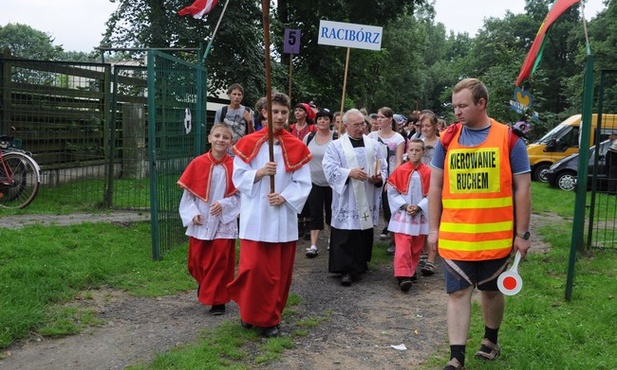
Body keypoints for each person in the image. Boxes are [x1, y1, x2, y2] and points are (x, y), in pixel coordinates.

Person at [427, 78, 531, 370]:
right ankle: (456, 357)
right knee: (458, 293)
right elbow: (435, 187)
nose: (457, 111)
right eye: (454, 106)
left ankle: (490, 339)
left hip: (496, 239)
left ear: (481, 104)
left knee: (491, 291)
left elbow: (523, 189)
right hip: (456, 237)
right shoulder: (447, 139)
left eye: (463, 105)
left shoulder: (509, 139)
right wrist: (433, 229)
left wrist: (522, 234)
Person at [227, 92, 312, 338]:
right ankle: (249, 313)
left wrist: (284, 196)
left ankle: (270, 319)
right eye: (275, 111)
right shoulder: (248, 143)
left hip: (282, 218)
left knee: (277, 274)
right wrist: (261, 172)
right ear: (265, 113)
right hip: (256, 216)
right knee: (252, 270)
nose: (279, 116)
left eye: (284, 112)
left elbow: (303, 182)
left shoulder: (297, 146)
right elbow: (238, 177)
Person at [177, 124, 240, 316]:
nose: (221, 140)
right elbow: (188, 196)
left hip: (223, 220)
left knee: (220, 260)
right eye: (218, 136)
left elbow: (240, 196)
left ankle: (217, 300)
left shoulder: (236, 166)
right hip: (202, 218)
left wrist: (225, 204)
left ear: (231, 142)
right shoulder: (197, 163)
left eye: (226, 137)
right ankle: (205, 285)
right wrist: (192, 213)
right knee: (196, 261)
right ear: (209, 138)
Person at [323, 109, 387, 286]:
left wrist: (378, 177)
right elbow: (329, 169)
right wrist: (349, 173)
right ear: (346, 126)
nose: (361, 128)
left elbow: (383, 166)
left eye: (363, 124)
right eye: (357, 125)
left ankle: (359, 265)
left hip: (365, 194)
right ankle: (344, 269)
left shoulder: (373, 145)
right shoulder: (336, 146)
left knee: (361, 232)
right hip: (347, 197)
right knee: (346, 231)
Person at [386, 139, 430, 292]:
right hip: (403, 215)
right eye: (411, 150)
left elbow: (432, 194)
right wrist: (405, 206)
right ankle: (402, 275)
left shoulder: (428, 172)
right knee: (403, 246)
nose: (414, 153)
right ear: (407, 152)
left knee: (416, 246)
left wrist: (419, 207)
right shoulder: (400, 170)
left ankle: (410, 270)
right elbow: (391, 192)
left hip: (419, 214)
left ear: (423, 152)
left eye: (417, 150)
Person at [369, 107, 406, 255]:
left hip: (391, 176)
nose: (379, 119)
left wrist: (391, 181)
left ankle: (393, 240)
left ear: (390, 119)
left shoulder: (398, 138)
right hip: (374, 175)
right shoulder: (371, 136)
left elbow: (398, 161)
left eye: (382, 117)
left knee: (390, 209)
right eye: (377, 117)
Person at [303, 109, 337, 258]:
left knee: (332, 212)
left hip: (332, 183)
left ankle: (332, 240)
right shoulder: (309, 137)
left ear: (330, 121)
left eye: (325, 119)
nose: (322, 121)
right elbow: (302, 155)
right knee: (315, 212)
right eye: (319, 119)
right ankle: (313, 245)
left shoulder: (336, 137)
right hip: (313, 181)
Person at [417, 109, 440, 276]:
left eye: (427, 126)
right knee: (421, 220)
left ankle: (431, 259)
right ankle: (423, 252)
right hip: (419, 184)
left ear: (435, 126)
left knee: (434, 221)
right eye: (422, 125)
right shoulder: (417, 141)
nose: (424, 129)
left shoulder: (441, 143)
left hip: (436, 185)